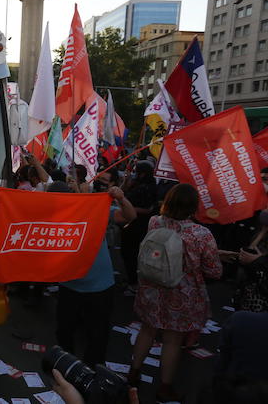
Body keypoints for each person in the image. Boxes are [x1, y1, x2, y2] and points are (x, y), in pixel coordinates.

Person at [127, 184, 223, 402]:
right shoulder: (200, 234)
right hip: (181, 294)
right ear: (193, 207)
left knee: (147, 330)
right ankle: (165, 386)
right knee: (172, 340)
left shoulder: (155, 221)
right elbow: (214, 271)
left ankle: (133, 372)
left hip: (151, 287)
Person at [50, 179, 136, 367]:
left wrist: (121, 199)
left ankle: (93, 371)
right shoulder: (51, 215)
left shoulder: (96, 210)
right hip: (69, 284)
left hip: (99, 286)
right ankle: (67, 367)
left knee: (97, 334)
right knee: (64, 331)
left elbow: (130, 216)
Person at [121, 161, 158, 294]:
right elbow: (123, 192)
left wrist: (125, 208)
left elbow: (148, 210)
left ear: (143, 173)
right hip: (132, 224)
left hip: (138, 225)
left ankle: (134, 284)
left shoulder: (148, 188)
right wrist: (126, 181)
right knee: (130, 254)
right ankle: (133, 280)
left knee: (132, 254)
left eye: (137, 172)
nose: (135, 174)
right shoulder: (138, 184)